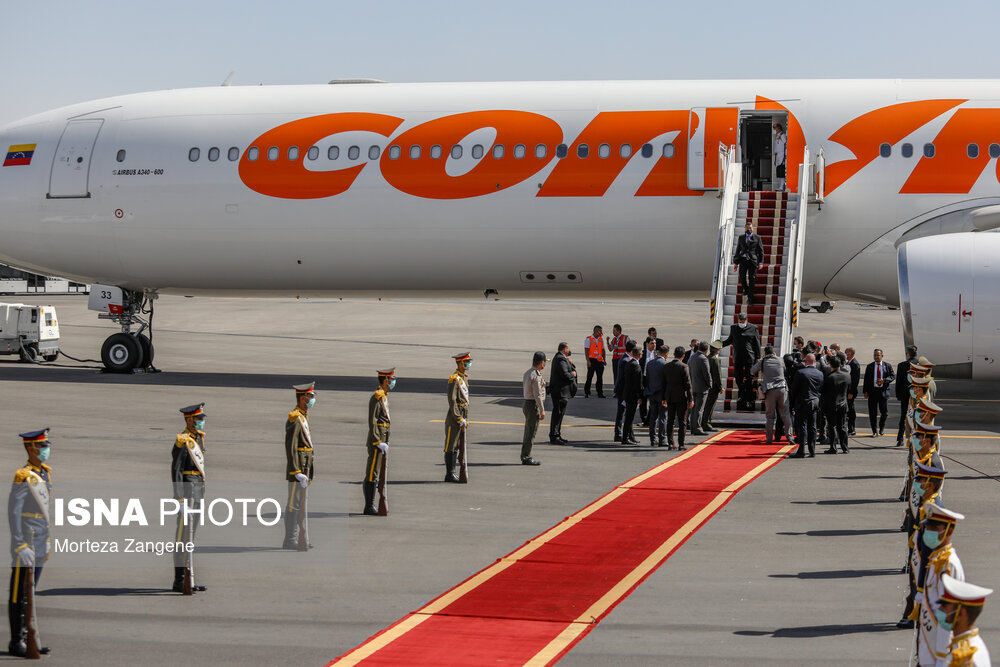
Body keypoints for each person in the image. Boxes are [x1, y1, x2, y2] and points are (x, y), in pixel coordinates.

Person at [8, 429, 53, 657]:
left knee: (31, 591)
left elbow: (45, 511)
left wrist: (47, 539)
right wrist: (19, 544)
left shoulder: (44, 473)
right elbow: (14, 512)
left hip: (40, 537)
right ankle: (17, 640)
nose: (46, 450)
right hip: (26, 540)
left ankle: (31, 637)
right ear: (32, 449)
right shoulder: (23, 476)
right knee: (19, 592)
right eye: (42, 446)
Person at [916, 505, 965, 667]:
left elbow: (948, 614)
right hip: (929, 648)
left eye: (934, 528)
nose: (928, 531)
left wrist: (942, 658)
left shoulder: (947, 565)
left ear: (949, 530)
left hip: (937, 653)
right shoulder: (937, 559)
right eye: (927, 527)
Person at [172, 404, 209, 589]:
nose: (202, 421)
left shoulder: (198, 438)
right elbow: (176, 471)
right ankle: (180, 579)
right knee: (182, 537)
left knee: (191, 537)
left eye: (202, 419)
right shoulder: (183, 440)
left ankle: (189, 577)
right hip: (187, 494)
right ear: (189, 420)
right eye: (198, 419)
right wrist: (179, 499)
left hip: (198, 492)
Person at [937, 574, 992, 667]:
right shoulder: (968, 645)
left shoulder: (966, 658)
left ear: (961, 614)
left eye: (944, 606)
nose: (940, 609)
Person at [285, 383, 315, 549]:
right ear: (303, 398)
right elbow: (291, 447)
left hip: (304, 468)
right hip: (298, 469)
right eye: (310, 396)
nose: (313, 399)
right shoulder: (295, 418)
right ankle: (290, 538)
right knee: (293, 503)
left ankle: (299, 537)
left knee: (300, 503)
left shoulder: (303, 416)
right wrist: (295, 471)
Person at [363, 369, 395, 515]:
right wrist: (377, 441)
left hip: (383, 439)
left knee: (377, 473)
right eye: (391, 379)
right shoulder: (377, 397)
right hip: (377, 441)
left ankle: (372, 504)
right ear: (385, 380)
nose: (393, 382)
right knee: (372, 472)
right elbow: (373, 421)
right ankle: (369, 505)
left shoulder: (383, 396)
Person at [752, 345, 794, 445]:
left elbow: (752, 370)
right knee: (785, 414)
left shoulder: (763, 361)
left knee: (770, 416)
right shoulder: (780, 360)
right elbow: (784, 370)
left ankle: (769, 439)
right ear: (774, 352)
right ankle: (790, 436)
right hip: (782, 388)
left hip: (770, 390)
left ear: (765, 353)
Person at [722, 312, 761, 408]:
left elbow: (757, 343)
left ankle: (749, 399)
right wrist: (719, 344)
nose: (742, 323)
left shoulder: (753, 328)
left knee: (749, 378)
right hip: (738, 357)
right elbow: (730, 340)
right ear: (738, 320)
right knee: (738, 378)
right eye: (740, 321)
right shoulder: (734, 328)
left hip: (749, 357)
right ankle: (742, 395)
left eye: (743, 322)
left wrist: (757, 357)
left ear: (747, 320)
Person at [788, 353, 824, 457]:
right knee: (813, 426)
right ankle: (812, 450)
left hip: (802, 402)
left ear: (806, 361)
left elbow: (793, 389)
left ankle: (801, 450)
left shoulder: (800, 372)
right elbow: (820, 388)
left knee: (802, 426)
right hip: (814, 401)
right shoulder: (820, 373)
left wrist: (793, 402)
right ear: (814, 362)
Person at [444, 353, 471, 483]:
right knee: (451, 445)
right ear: (460, 363)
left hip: (463, 414)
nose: (468, 364)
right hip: (455, 416)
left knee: (458, 445)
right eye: (467, 362)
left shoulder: (464, 377)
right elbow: (452, 400)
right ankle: (450, 473)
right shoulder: (454, 379)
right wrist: (458, 417)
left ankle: (454, 471)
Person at [663, 346, 694, 450]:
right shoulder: (684, 367)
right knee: (682, 421)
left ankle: (670, 443)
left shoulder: (666, 366)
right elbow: (688, 384)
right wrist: (690, 399)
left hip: (670, 396)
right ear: (683, 356)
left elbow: (664, 383)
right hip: (681, 397)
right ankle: (681, 444)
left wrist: (663, 397)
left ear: (674, 354)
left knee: (670, 420)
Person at [820, 357, 850, 453]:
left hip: (831, 405)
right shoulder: (847, 375)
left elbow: (824, 392)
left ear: (831, 365)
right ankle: (845, 447)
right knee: (842, 426)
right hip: (843, 404)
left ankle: (833, 447)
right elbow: (849, 389)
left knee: (832, 426)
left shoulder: (829, 377)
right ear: (840, 364)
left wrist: (822, 407)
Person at [520, 352, 546, 465]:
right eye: (544, 362)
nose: (545, 364)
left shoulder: (528, 373)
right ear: (541, 362)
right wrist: (542, 409)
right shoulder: (535, 375)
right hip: (532, 405)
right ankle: (526, 456)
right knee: (531, 432)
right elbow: (537, 395)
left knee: (528, 431)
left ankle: (525, 455)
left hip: (527, 403)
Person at [863, 348, 895, 437]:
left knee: (884, 413)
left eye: (878, 355)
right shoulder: (870, 366)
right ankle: (874, 431)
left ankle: (882, 427)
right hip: (873, 392)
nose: (876, 357)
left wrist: (884, 380)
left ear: (882, 356)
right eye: (875, 355)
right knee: (872, 413)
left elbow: (892, 376)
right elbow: (866, 380)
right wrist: (865, 391)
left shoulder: (887, 366)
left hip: (883, 392)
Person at [548, 343, 576, 444]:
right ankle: (554, 436)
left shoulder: (562, 358)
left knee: (560, 414)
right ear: (565, 349)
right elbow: (565, 374)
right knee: (558, 413)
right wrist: (572, 374)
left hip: (561, 392)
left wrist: (570, 363)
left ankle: (557, 434)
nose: (569, 350)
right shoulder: (560, 359)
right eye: (568, 348)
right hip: (560, 392)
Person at [617, 342, 643, 445]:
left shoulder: (629, 363)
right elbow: (637, 383)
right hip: (632, 396)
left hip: (628, 394)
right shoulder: (635, 366)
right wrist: (639, 396)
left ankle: (630, 437)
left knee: (629, 416)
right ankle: (625, 438)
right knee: (629, 417)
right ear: (639, 355)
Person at [733, 221, 763, 304]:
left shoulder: (757, 238)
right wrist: (736, 262)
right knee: (742, 278)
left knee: (752, 279)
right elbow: (738, 250)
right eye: (747, 228)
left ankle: (750, 298)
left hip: (752, 261)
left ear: (752, 228)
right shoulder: (741, 237)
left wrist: (760, 262)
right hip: (743, 260)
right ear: (745, 229)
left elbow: (761, 251)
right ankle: (746, 290)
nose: (749, 229)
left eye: (750, 228)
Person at [645, 345, 669, 446]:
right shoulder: (665, 365)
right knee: (663, 417)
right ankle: (662, 439)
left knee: (653, 417)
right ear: (666, 354)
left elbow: (647, 378)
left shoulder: (650, 363)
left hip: (652, 393)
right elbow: (666, 382)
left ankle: (652, 439)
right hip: (661, 394)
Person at [896, 345, 919, 446]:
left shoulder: (902, 365)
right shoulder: (920, 365)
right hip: (917, 395)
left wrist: (898, 395)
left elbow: (898, 382)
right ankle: (916, 437)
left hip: (905, 395)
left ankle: (900, 438)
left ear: (908, 354)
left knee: (903, 416)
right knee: (917, 417)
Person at [687, 341, 711, 436]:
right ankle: (697, 427)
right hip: (702, 387)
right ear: (706, 350)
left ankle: (693, 427)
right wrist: (710, 384)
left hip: (693, 386)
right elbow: (707, 374)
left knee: (694, 409)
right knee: (699, 409)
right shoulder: (703, 359)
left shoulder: (692, 357)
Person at [701, 340, 723, 432]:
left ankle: (705, 422)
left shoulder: (708, 358)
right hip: (714, 387)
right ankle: (706, 423)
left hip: (708, 386)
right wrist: (720, 386)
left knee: (707, 405)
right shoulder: (714, 360)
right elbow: (717, 375)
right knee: (710, 406)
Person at [638, 336, 657, 426]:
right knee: (643, 400)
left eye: (655, 343)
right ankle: (644, 419)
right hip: (643, 379)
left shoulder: (656, 354)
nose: (654, 345)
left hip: (652, 379)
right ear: (647, 344)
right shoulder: (642, 354)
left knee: (653, 400)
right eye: (652, 343)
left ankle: (650, 419)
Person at [583, 325, 606, 398]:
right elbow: (586, 351)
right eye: (600, 331)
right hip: (592, 360)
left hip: (599, 360)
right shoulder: (589, 339)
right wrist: (588, 361)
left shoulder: (600, 339)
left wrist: (604, 360)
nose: (601, 333)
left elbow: (603, 350)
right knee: (589, 377)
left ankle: (600, 393)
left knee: (599, 377)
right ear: (596, 331)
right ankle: (587, 392)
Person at [845, 346, 862, 435]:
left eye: (846, 352)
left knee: (851, 409)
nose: (845, 354)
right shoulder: (847, 363)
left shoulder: (855, 364)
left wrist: (851, 392)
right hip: (846, 391)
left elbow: (855, 381)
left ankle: (852, 428)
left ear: (850, 353)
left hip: (850, 391)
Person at [607, 324, 630, 389]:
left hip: (623, 360)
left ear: (618, 331)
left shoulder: (625, 338)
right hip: (615, 360)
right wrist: (608, 342)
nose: (613, 332)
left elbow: (629, 348)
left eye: (614, 331)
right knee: (616, 375)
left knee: (623, 375)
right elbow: (610, 349)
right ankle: (616, 388)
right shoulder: (614, 339)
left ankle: (623, 389)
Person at [774, 122, 787, 191]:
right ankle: (780, 186)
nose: (775, 130)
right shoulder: (777, 136)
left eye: (776, 128)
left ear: (779, 128)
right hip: (777, 155)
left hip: (782, 154)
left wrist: (785, 155)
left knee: (781, 170)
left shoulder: (783, 135)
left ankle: (782, 186)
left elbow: (785, 145)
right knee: (778, 170)